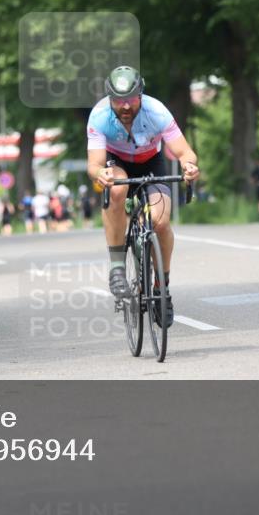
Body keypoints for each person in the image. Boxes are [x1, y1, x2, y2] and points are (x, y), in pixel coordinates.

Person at [88, 65, 199, 328]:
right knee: (116, 189)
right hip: (116, 161)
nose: (126, 106)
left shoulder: (157, 111)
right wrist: (100, 174)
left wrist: (189, 166)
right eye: (119, 100)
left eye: (131, 99)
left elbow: (185, 152)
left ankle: (162, 286)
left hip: (151, 161)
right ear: (109, 98)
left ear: (141, 94)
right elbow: (94, 164)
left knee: (160, 222)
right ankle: (117, 268)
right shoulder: (100, 116)